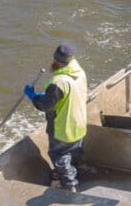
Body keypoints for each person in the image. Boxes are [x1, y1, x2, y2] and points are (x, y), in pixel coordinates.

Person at [24, 44, 88, 190]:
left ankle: (70, 185)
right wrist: (48, 96)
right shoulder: (79, 72)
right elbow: (63, 96)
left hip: (63, 128)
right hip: (79, 124)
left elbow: (45, 106)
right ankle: (66, 174)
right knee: (73, 153)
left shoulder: (59, 82)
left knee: (58, 156)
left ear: (56, 61)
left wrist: (33, 96)